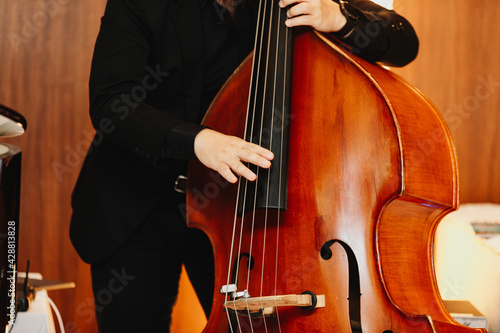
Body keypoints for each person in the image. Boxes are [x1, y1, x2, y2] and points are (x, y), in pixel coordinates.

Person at [69, 0, 418, 331]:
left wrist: (341, 17)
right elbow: (111, 103)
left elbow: (403, 40)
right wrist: (197, 141)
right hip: (136, 205)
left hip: (237, 215)